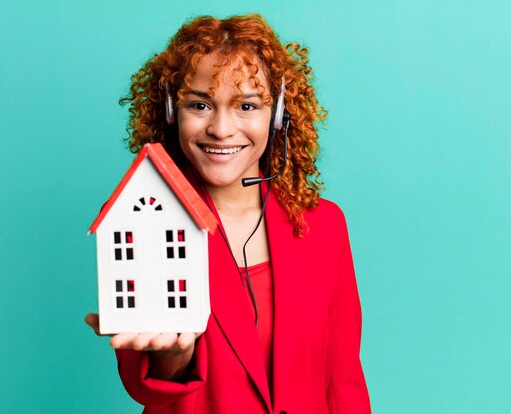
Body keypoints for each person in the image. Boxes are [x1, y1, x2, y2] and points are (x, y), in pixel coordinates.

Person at [85, 13, 371, 413]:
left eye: (246, 105)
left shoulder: (324, 226)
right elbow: (145, 387)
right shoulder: (143, 217)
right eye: (200, 104)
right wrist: (172, 356)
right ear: (171, 111)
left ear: (277, 114)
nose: (221, 128)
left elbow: (343, 382)